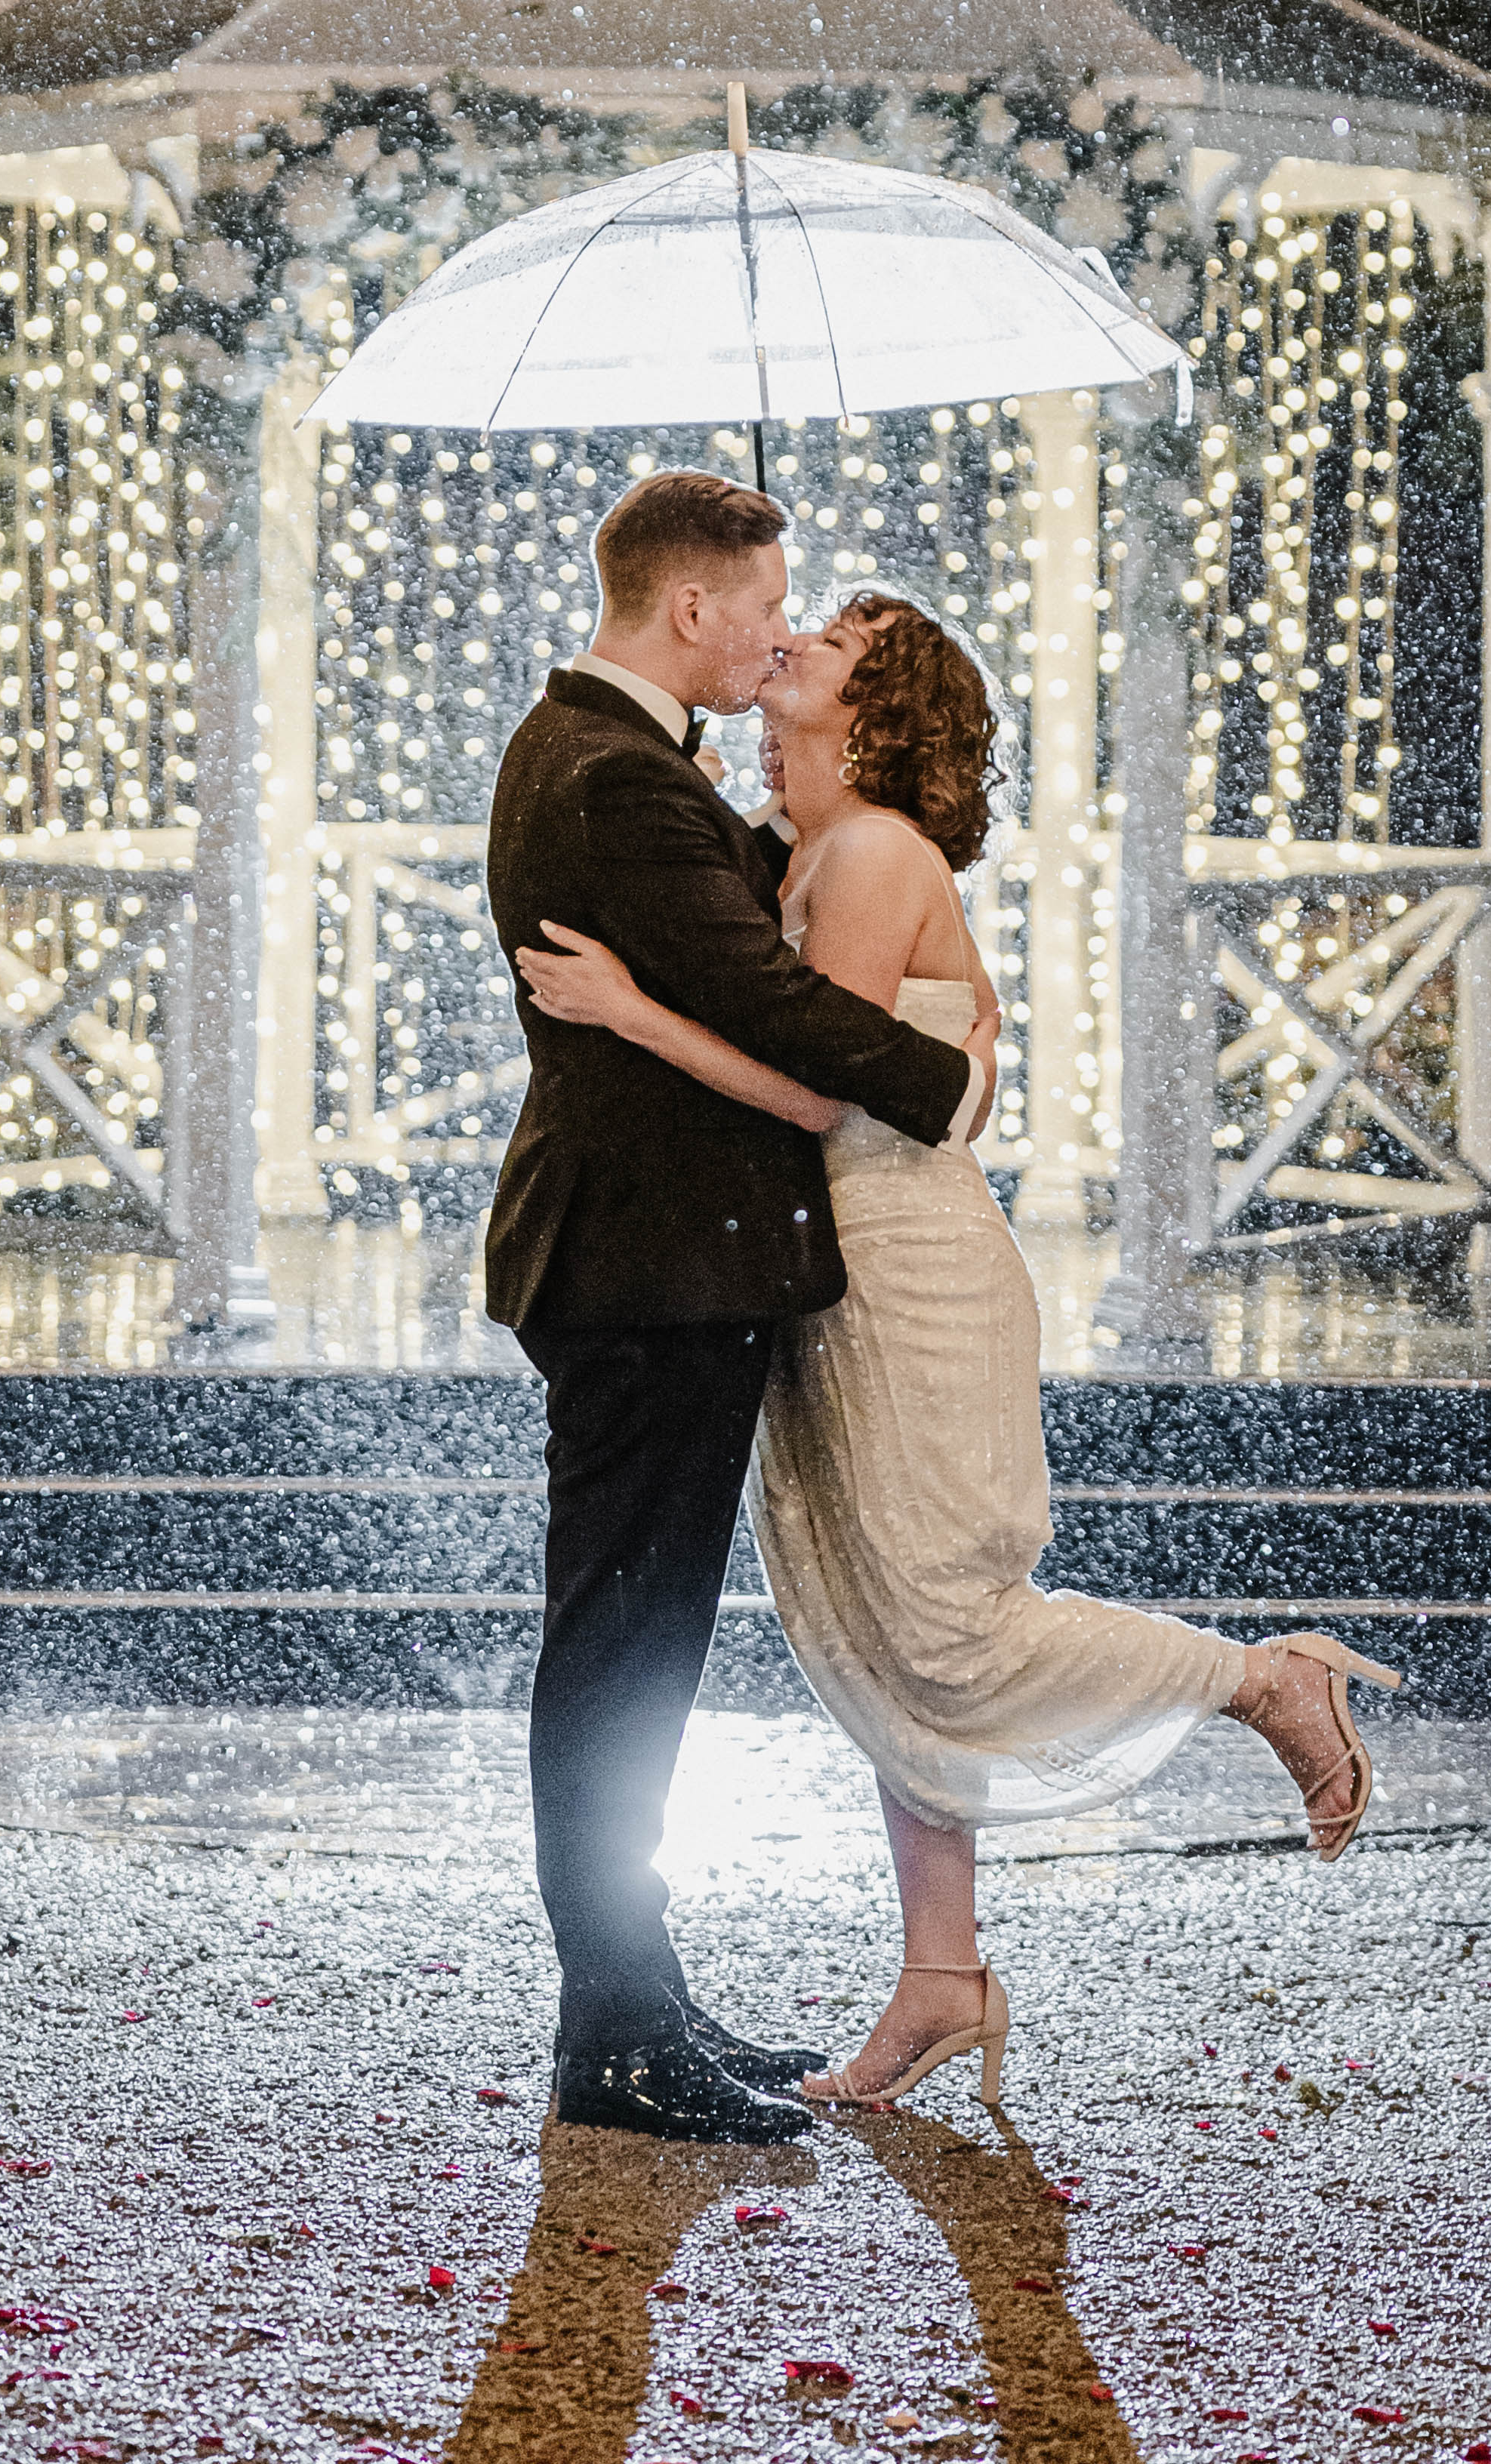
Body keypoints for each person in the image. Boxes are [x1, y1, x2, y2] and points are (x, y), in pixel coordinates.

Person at [516, 585, 1398, 2115]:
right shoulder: (795, 841)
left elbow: (818, 1087)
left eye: (831, 641)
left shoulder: (869, 853)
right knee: (877, 1622)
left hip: (905, 1268)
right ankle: (941, 1972)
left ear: (875, 707)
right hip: (823, 1268)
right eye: (793, 620)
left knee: (947, 1623)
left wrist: (627, 1011)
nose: (793, 640)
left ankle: (1265, 1680)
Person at [484, 470, 997, 2144]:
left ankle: (639, 1994)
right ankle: (614, 2036)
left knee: (638, 1647)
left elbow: (726, 948)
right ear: (691, 604)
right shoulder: (611, 775)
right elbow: (768, 999)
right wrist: (947, 1076)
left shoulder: (619, 758)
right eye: (765, 603)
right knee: (623, 1655)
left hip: (663, 1266)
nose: (778, 634)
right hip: (650, 1271)